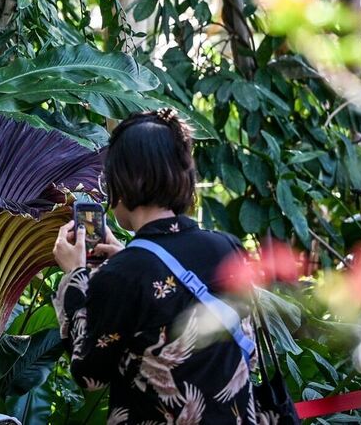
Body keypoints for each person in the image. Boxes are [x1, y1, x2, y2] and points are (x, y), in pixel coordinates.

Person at [52, 108, 256, 424]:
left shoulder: (125, 273)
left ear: (125, 180)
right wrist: (127, 258)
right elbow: (247, 354)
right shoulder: (228, 248)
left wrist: (74, 276)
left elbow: (89, 373)